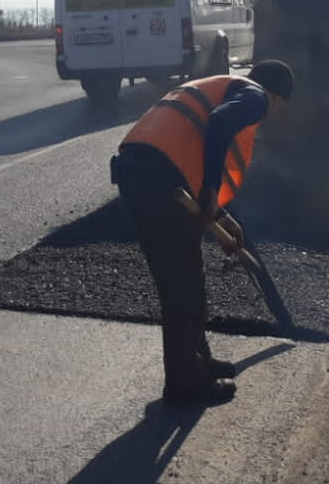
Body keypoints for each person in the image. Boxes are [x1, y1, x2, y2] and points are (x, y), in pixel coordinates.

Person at [109, 60, 295, 405]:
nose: (276, 115)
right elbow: (219, 125)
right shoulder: (255, 97)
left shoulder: (225, 88)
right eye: (282, 107)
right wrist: (210, 191)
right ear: (276, 96)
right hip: (158, 182)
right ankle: (184, 386)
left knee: (188, 279)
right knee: (181, 287)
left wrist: (222, 215)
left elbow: (189, 153)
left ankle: (200, 364)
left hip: (146, 174)